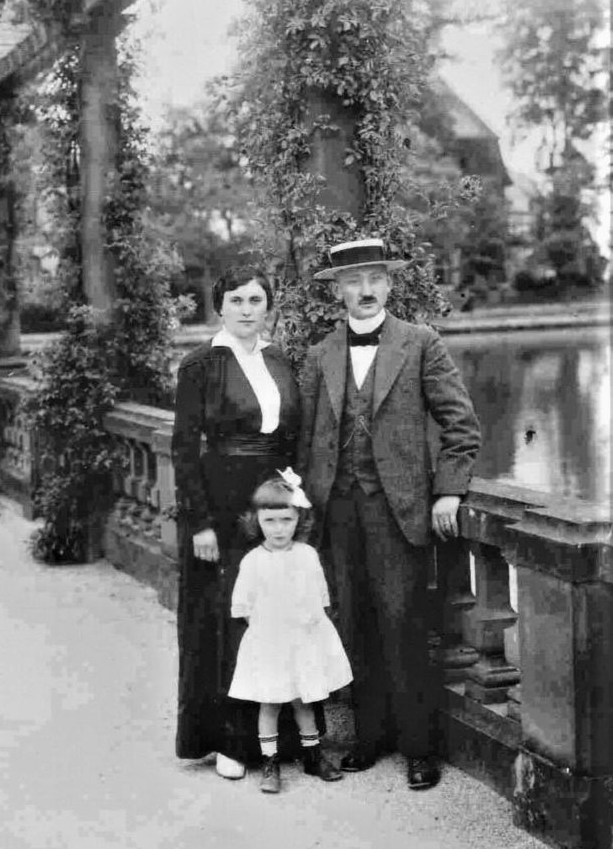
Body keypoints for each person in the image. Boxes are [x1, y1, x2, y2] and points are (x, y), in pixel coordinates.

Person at [297, 238, 481, 790]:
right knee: (353, 626)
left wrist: (449, 491)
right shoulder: (318, 355)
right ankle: (370, 738)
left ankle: (419, 750)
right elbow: (304, 441)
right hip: (337, 514)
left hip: (399, 512)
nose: (366, 290)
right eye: (353, 281)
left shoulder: (421, 343)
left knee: (404, 626)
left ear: (391, 284)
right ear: (338, 292)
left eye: (375, 278)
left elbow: (461, 427)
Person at [171, 265, 324, 781]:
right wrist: (199, 524)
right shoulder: (200, 365)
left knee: (275, 616)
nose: (245, 309)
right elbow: (184, 450)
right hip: (219, 503)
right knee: (227, 620)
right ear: (219, 306)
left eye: (255, 299)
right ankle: (229, 741)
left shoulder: (279, 359)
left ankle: (280, 742)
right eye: (235, 299)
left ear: (268, 306)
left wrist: (292, 494)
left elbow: (290, 434)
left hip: (271, 502)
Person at [228, 470, 352, 794]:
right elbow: (241, 607)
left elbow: (320, 597)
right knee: (269, 703)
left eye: (286, 519)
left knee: (303, 701)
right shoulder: (253, 561)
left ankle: (313, 755)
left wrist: (310, 628)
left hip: (302, 641)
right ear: (257, 521)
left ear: (299, 519)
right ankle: (270, 762)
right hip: (269, 643)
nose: (279, 528)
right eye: (270, 521)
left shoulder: (307, 555)